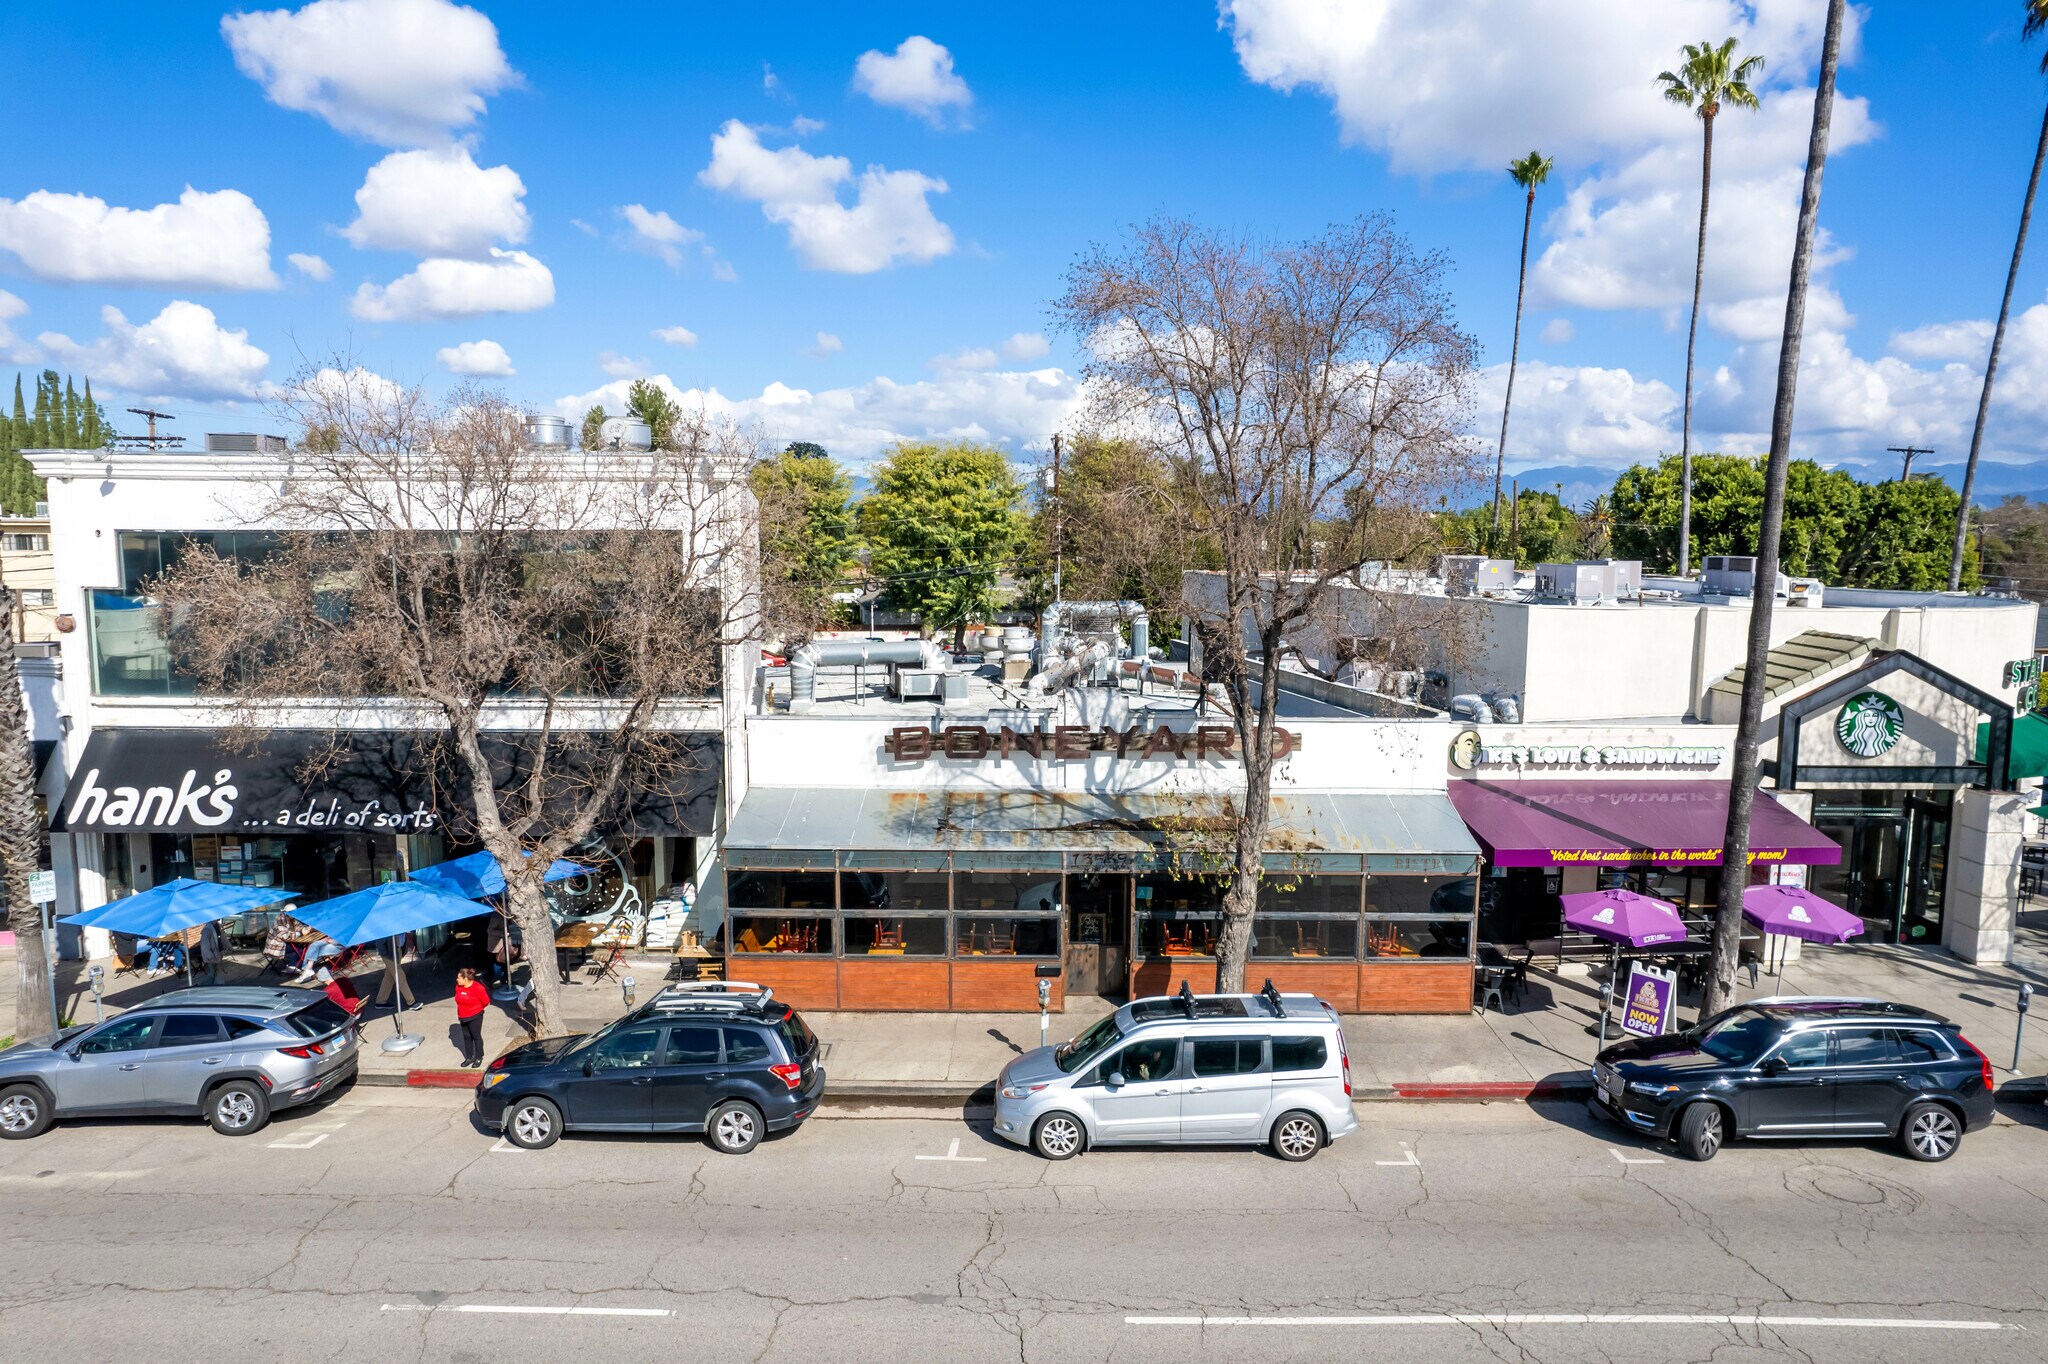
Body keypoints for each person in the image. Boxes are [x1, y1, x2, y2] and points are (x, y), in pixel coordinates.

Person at [372, 932, 421, 1011]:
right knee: (400, 976)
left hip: (398, 952)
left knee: (389, 977)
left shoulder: (401, 925)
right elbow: (379, 943)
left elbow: (403, 940)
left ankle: (380, 1001)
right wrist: (387, 955)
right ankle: (411, 1001)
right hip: (389, 955)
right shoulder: (387, 927)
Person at [454, 967, 489, 1068]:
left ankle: (479, 1056)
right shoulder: (458, 987)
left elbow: (485, 1001)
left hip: (475, 1016)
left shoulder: (478, 988)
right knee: (466, 1037)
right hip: (463, 1016)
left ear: (465, 979)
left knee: (476, 1036)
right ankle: (469, 1057)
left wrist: (475, 1009)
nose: (457, 980)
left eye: (459, 978)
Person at [197, 919, 222, 986]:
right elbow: (204, 946)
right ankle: (200, 985)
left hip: (215, 955)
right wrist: (211, 957)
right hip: (210, 957)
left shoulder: (216, 926)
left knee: (215, 973)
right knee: (212, 974)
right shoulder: (207, 930)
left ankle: (215, 986)